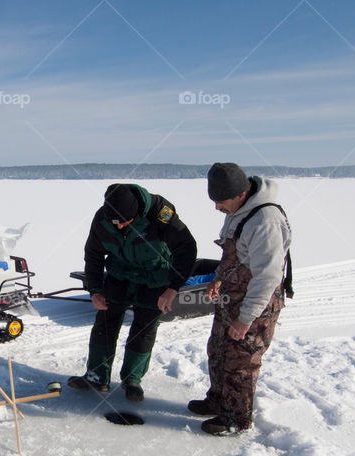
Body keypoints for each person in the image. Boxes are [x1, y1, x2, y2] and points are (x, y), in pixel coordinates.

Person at [189, 163, 293, 435]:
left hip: (255, 303)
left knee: (240, 362)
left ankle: (236, 419)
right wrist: (218, 279)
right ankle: (219, 401)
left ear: (240, 194)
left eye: (220, 201)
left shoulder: (265, 221)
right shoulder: (237, 211)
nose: (216, 208)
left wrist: (245, 318)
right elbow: (233, 254)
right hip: (231, 296)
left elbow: (268, 276)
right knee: (218, 350)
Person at [68, 183, 197, 401]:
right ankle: (97, 377)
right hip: (120, 274)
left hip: (155, 276)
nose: (118, 227)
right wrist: (95, 290)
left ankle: (132, 380)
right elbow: (93, 254)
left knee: (143, 329)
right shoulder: (103, 217)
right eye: (114, 222)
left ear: (136, 213)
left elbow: (187, 249)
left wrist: (173, 287)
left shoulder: (161, 214)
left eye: (124, 222)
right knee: (105, 323)